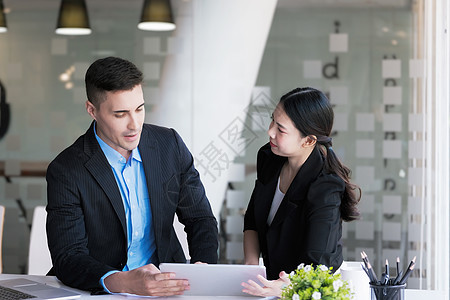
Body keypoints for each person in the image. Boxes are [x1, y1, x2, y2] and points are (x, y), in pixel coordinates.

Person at [46, 56, 219, 296]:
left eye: (139, 109)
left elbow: (200, 219)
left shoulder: (169, 146)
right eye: (120, 114)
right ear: (92, 110)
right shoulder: (67, 170)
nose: (134, 124)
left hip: (166, 287)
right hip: (99, 290)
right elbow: (68, 256)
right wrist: (123, 282)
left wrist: (203, 269)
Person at [241, 87, 360, 297]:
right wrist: (251, 268)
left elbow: (317, 264)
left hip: (308, 292)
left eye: (281, 129)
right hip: (269, 286)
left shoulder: (326, 187)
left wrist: (284, 286)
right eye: (272, 121)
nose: (270, 132)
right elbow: (252, 220)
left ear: (309, 140)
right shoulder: (269, 157)